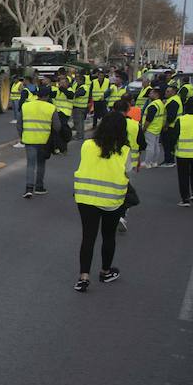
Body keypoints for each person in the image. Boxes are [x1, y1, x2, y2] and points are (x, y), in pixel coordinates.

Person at [72, 114, 130, 292]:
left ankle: (83, 277)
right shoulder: (125, 150)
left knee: (88, 237)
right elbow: (127, 172)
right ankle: (105, 272)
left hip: (86, 197)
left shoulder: (87, 145)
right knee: (108, 236)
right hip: (112, 200)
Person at [20, 84, 57, 198]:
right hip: (44, 141)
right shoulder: (51, 108)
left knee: (30, 164)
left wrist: (22, 135)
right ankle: (39, 187)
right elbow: (57, 126)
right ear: (46, 96)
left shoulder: (26, 106)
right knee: (41, 164)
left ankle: (28, 189)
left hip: (29, 140)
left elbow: (19, 124)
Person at [141, 86, 166, 169]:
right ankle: (154, 162)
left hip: (150, 129)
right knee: (156, 146)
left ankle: (147, 163)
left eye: (151, 93)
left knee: (150, 147)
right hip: (157, 128)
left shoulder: (153, 105)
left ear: (156, 94)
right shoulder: (161, 104)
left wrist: (144, 129)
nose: (149, 94)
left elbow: (149, 119)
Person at [161, 83, 182, 167]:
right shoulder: (175, 99)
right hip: (173, 126)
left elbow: (171, 116)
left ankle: (169, 161)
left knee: (168, 145)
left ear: (173, 92)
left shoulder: (173, 101)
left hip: (170, 127)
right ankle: (170, 160)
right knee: (170, 145)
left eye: (168, 91)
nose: (165, 93)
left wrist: (166, 126)